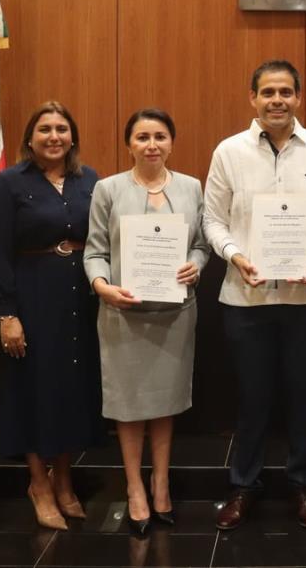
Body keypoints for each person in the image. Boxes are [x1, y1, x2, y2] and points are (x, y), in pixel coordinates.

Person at [203, 60, 306, 530]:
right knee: (252, 398)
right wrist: (234, 255)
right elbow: (213, 221)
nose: (277, 100)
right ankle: (244, 486)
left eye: (286, 91)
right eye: (268, 91)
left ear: (298, 97)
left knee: (305, 395)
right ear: (252, 98)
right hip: (246, 299)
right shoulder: (229, 152)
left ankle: (304, 485)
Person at [84, 108, 209, 534]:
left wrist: (195, 264)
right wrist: (102, 286)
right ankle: (135, 486)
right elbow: (94, 251)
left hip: (175, 314)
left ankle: (161, 483)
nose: (151, 144)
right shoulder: (108, 189)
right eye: (142, 137)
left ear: (172, 142)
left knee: (164, 402)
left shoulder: (193, 187)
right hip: (123, 313)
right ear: (129, 144)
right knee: (129, 404)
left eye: (159, 136)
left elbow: (201, 245)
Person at [0, 101, 104, 531]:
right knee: (32, 386)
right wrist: (7, 314)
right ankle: (38, 481)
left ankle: (65, 478)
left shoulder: (89, 180)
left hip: (80, 297)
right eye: (45, 129)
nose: (54, 136)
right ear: (29, 139)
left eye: (61, 129)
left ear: (72, 136)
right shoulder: (8, 184)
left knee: (73, 386)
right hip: (31, 297)